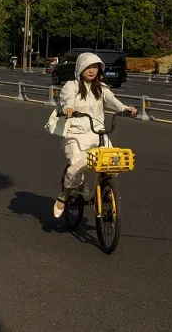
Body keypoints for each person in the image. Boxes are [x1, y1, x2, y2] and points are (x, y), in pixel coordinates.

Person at [53, 52, 137, 219]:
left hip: (97, 131)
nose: (91, 71)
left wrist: (124, 109)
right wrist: (68, 107)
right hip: (75, 133)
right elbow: (66, 99)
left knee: (110, 161)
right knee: (77, 165)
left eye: (95, 67)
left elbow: (112, 100)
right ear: (80, 68)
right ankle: (64, 195)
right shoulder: (72, 86)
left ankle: (103, 187)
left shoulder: (102, 88)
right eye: (88, 67)